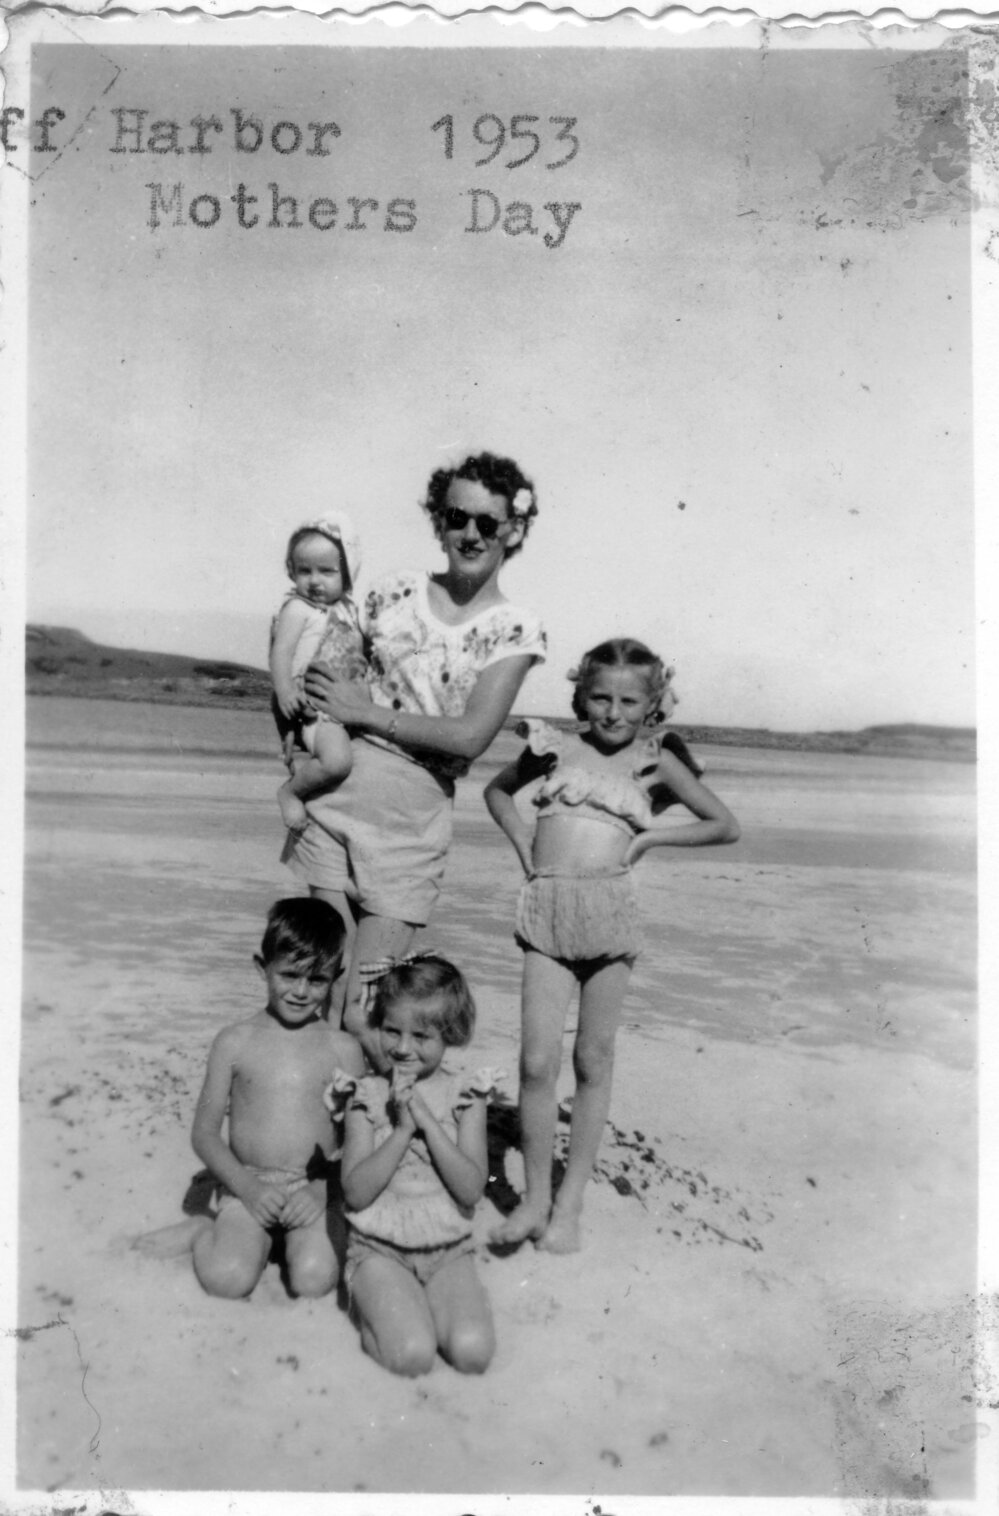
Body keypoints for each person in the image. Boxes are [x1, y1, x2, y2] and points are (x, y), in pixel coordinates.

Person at [483, 638, 739, 1254]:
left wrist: (648, 842)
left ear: (652, 705)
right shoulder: (552, 749)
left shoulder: (656, 761)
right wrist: (521, 839)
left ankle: (570, 1204)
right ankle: (535, 1199)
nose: (614, 712)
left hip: (610, 915)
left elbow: (724, 825)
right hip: (546, 910)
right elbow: (496, 792)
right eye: (601, 697)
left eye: (630, 700)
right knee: (537, 1063)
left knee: (593, 1061)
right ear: (580, 695)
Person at [283, 453, 546, 1045]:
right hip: (337, 790)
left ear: (515, 529)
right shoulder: (391, 590)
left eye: (488, 522)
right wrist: (308, 736)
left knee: (365, 1008)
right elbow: (326, 678)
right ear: (439, 521)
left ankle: (389, 1128)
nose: (470, 533)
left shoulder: (516, 629)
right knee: (319, 987)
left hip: (412, 819)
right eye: (457, 518)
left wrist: (367, 712)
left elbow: (472, 736)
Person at [188, 897, 366, 1299]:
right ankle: (203, 1230)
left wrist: (322, 1191)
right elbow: (204, 1134)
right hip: (247, 1183)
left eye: (317, 980)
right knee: (227, 1279)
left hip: (313, 1186)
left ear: (336, 977)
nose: (301, 991)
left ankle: (285, 1244)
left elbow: (359, 1137)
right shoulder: (233, 1041)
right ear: (261, 967)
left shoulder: (343, 1048)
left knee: (315, 1279)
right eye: (289, 975)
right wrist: (247, 1188)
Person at [339, 953, 500, 1376]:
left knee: (472, 1352)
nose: (403, 1047)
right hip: (378, 1249)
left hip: (447, 1250)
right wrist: (401, 1131)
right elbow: (355, 1192)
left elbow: (470, 1190)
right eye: (392, 1031)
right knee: (413, 1355)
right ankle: (375, 1308)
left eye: (422, 1036)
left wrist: (427, 1123)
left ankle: (421, 1304)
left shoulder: (466, 1095)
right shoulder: (366, 1094)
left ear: (451, 1035)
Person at [269, 513, 367, 834]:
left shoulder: (349, 611)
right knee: (337, 762)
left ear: (348, 574)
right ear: (291, 572)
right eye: (304, 571)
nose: (314, 580)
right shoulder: (298, 608)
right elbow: (281, 652)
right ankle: (290, 791)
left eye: (327, 571)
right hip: (314, 709)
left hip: (346, 705)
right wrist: (284, 691)